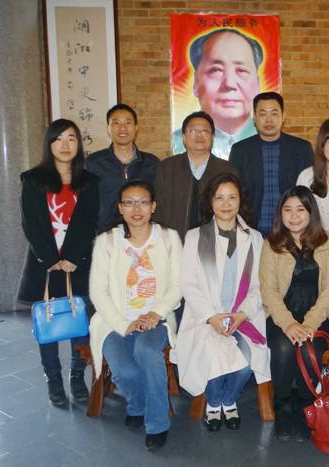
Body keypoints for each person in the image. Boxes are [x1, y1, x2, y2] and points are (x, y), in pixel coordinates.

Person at [173, 173, 270, 432]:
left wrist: (243, 314)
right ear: (210, 201)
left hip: (243, 317)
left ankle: (229, 399)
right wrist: (211, 317)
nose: (226, 204)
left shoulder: (255, 238)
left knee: (247, 360)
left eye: (232, 197)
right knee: (212, 353)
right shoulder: (195, 237)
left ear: (240, 201)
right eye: (219, 198)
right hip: (206, 317)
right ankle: (215, 403)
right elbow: (188, 284)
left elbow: (260, 286)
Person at [89, 180, 181, 451]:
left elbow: (178, 285)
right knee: (124, 370)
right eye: (129, 203)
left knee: (147, 353)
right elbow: (97, 291)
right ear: (120, 208)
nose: (136, 209)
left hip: (156, 319)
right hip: (115, 320)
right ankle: (138, 404)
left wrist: (155, 313)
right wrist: (123, 324)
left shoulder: (168, 238)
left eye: (143, 202)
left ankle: (157, 424)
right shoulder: (106, 242)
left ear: (153, 206)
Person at [18, 119, 99, 406]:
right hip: (45, 263)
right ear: (49, 144)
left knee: (80, 322)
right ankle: (53, 379)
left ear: (79, 145)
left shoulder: (89, 182)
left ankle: (77, 376)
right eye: (59, 139)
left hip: (79, 263)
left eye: (71, 139)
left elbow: (89, 221)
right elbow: (30, 223)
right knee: (48, 324)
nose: (65, 145)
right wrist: (52, 259)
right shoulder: (32, 180)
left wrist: (73, 258)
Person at [259, 186, 329, 442]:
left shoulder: (328, 242)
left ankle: (306, 407)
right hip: (281, 316)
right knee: (283, 349)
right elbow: (268, 291)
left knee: (308, 349)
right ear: (280, 214)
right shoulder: (271, 244)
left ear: (311, 212)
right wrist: (289, 324)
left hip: (318, 317)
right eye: (288, 210)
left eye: (300, 210)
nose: (294, 216)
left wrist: (310, 324)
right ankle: (283, 408)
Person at [230, 92, 314, 236]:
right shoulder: (240, 150)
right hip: (251, 230)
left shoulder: (302, 149)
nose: (269, 120)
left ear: (283, 116)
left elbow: (309, 192)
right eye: (263, 114)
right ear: (254, 117)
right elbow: (233, 190)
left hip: (292, 229)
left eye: (274, 113)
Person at [172, 29, 263, 158]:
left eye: (242, 70)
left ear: (257, 85)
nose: (229, 83)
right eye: (216, 70)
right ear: (196, 83)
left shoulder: (267, 142)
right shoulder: (176, 143)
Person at [154, 111, 238, 242]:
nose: (199, 135)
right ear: (183, 137)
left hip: (216, 244)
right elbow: (157, 211)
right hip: (175, 243)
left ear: (212, 137)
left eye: (205, 131)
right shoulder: (166, 168)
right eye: (193, 131)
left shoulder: (227, 170)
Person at [86, 103, 159, 232]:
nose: (122, 128)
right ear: (108, 129)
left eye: (128, 123)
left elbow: (159, 201)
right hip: (104, 235)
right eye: (116, 123)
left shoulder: (152, 163)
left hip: (142, 235)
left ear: (136, 128)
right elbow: (85, 204)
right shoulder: (93, 163)